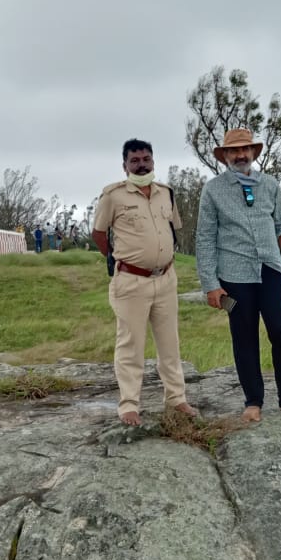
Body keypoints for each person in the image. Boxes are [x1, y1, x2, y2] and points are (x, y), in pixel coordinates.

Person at [195, 127, 281, 423]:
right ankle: (253, 400)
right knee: (243, 337)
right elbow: (204, 238)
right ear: (226, 156)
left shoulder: (270, 185)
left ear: (254, 153)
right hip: (233, 278)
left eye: (246, 150)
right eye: (234, 150)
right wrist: (210, 285)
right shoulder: (213, 190)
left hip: (271, 271)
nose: (241, 155)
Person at [92, 138, 198, 427]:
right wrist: (117, 258)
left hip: (165, 279)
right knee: (130, 344)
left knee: (170, 344)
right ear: (125, 165)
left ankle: (176, 399)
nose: (141, 165)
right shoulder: (113, 196)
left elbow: (172, 228)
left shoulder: (166, 194)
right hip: (131, 282)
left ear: (153, 161)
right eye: (135, 161)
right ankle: (129, 405)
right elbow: (99, 234)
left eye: (146, 159)